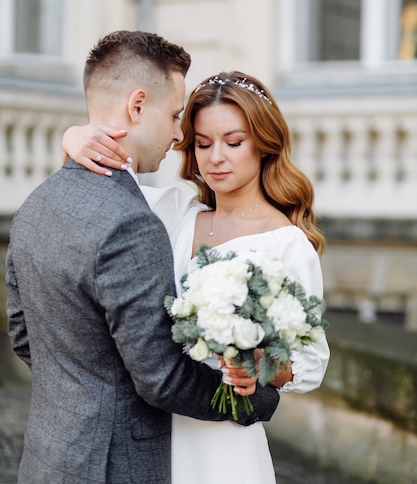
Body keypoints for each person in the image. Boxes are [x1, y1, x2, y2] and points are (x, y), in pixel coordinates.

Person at [6, 34, 280, 484]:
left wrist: (83, 391)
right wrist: (260, 402)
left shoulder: (38, 203)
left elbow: (23, 334)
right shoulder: (130, 224)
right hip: (114, 465)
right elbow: (162, 381)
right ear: (137, 106)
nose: (178, 136)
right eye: (174, 115)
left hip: (48, 458)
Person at [63, 70, 330, 484]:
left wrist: (253, 360)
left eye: (233, 142)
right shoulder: (177, 210)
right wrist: (75, 138)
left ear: (264, 144)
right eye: (203, 144)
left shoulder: (286, 244)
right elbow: (99, 190)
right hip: (150, 429)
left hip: (220, 436)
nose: (215, 157)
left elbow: (307, 365)